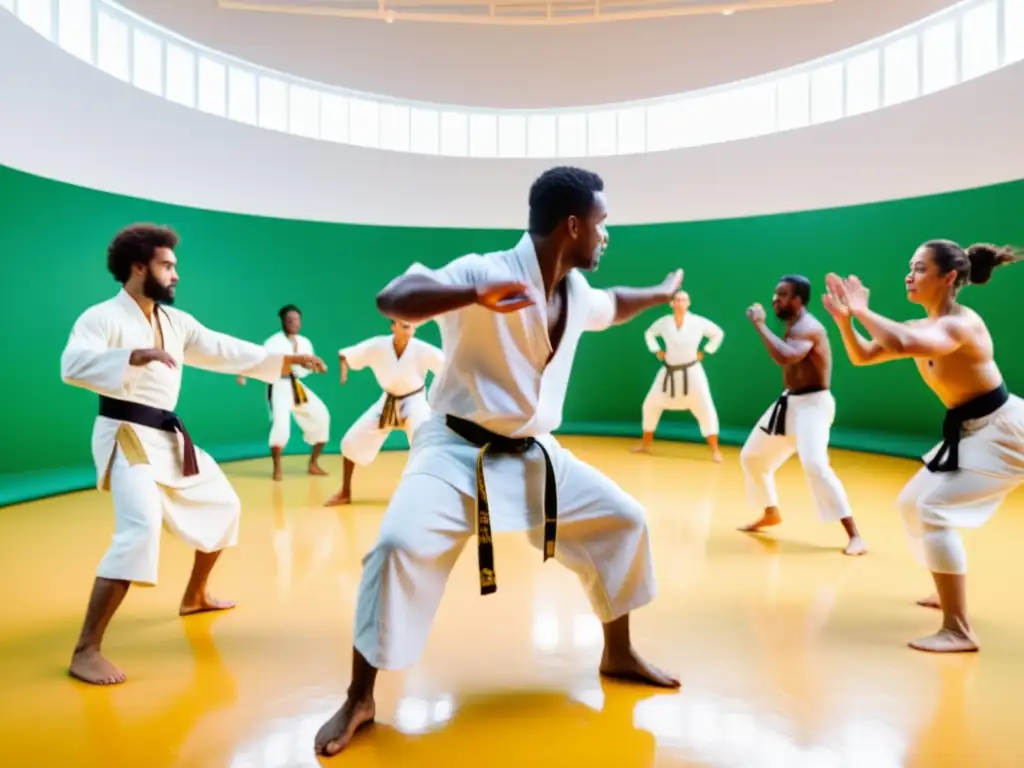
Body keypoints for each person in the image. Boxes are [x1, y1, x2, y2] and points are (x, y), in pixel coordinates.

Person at [313, 167, 682, 757]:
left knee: (625, 519)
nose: (605, 234)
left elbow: (617, 305)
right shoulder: (484, 270)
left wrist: (663, 293)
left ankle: (617, 652)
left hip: (536, 454)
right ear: (571, 225)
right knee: (394, 548)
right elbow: (393, 296)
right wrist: (472, 296)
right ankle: (360, 696)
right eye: (600, 222)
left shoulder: (578, 293)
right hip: (457, 450)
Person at [60, 224, 326, 686]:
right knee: (140, 528)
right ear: (139, 268)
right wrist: (132, 357)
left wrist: (286, 362)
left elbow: (221, 348)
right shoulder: (100, 317)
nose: (175, 274)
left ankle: (195, 594)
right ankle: (86, 650)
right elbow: (72, 365)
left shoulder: (175, 322)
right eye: (167, 265)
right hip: (125, 433)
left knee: (224, 505)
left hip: (166, 434)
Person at [822, 240, 1021, 653]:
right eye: (909, 267)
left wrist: (861, 310)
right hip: (976, 430)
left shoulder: (961, 325)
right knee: (914, 503)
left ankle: (959, 630)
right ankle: (947, 591)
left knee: (931, 507)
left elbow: (895, 343)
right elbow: (863, 356)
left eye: (919, 268)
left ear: (948, 278)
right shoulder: (919, 326)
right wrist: (845, 321)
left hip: (1005, 432)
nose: (909, 275)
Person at [738, 275, 867, 556]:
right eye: (775, 293)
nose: (776, 299)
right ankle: (771, 512)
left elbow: (786, 357)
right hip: (790, 403)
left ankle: (855, 535)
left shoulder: (810, 327)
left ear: (798, 300)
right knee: (752, 457)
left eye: (782, 294)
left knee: (815, 464)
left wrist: (759, 324)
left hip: (814, 406)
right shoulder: (792, 324)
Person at [323, 320, 444, 506]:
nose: (408, 328)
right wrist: (344, 370)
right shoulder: (378, 345)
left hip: (415, 401)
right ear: (392, 326)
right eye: (403, 324)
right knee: (350, 441)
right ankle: (345, 492)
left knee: (425, 444)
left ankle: (431, 495)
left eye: (410, 325)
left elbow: (447, 367)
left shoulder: (422, 349)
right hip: (387, 401)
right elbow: (347, 354)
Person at [237, 304, 331, 481]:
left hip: (297, 387)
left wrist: (316, 367)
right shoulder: (273, 342)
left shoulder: (305, 342)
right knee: (281, 427)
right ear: (283, 322)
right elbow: (260, 360)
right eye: (289, 320)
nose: (293, 323)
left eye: (296, 320)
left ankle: (313, 463)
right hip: (279, 387)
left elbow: (307, 366)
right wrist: (244, 373)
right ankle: (277, 468)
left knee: (322, 417)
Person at [631, 290, 725, 461]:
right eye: (677, 300)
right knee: (650, 405)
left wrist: (705, 351)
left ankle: (715, 450)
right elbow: (649, 333)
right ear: (672, 303)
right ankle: (645, 445)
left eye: (684, 300)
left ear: (688, 303)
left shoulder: (698, 322)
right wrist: (656, 350)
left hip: (692, 372)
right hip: (669, 371)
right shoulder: (664, 322)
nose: (680, 303)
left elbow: (718, 333)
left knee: (705, 407)